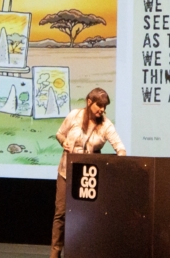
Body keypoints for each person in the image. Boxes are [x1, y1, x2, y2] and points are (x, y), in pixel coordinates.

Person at [50, 87, 126, 258]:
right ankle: (55, 253)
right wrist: (63, 142)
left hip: (88, 178)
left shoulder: (106, 125)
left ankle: (84, 252)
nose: (102, 110)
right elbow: (59, 134)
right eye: (100, 105)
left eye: (105, 107)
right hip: (66, 173)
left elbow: (120, 147)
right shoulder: (74, 116)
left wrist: (120, 162)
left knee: (88, 216)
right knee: (60, 214)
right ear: (89, 102)